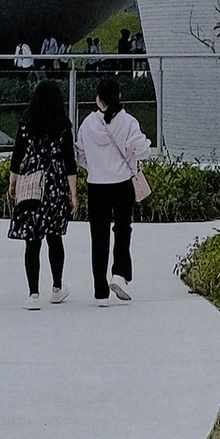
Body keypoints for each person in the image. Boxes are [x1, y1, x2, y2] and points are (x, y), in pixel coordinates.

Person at [76, 76, 153, 302]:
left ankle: (100, 291)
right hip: (122, 184)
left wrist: (96, 165)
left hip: (96, 185)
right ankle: (119, 274)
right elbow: (143, 149)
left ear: (99, 99)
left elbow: (79, 155)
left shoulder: (88, 123)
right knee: (122, 229)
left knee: (98, 236)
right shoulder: (128, 121)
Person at [6, 71, 80, 306]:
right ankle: (57, 287)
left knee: (32, 239)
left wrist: (13, 182)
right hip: (56, 185)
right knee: (54, 237)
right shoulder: (62, 127)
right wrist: (73, 194)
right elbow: (70, 162)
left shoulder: (26, 125)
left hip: (31, 184)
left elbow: (17, 156)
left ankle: (33, 293)